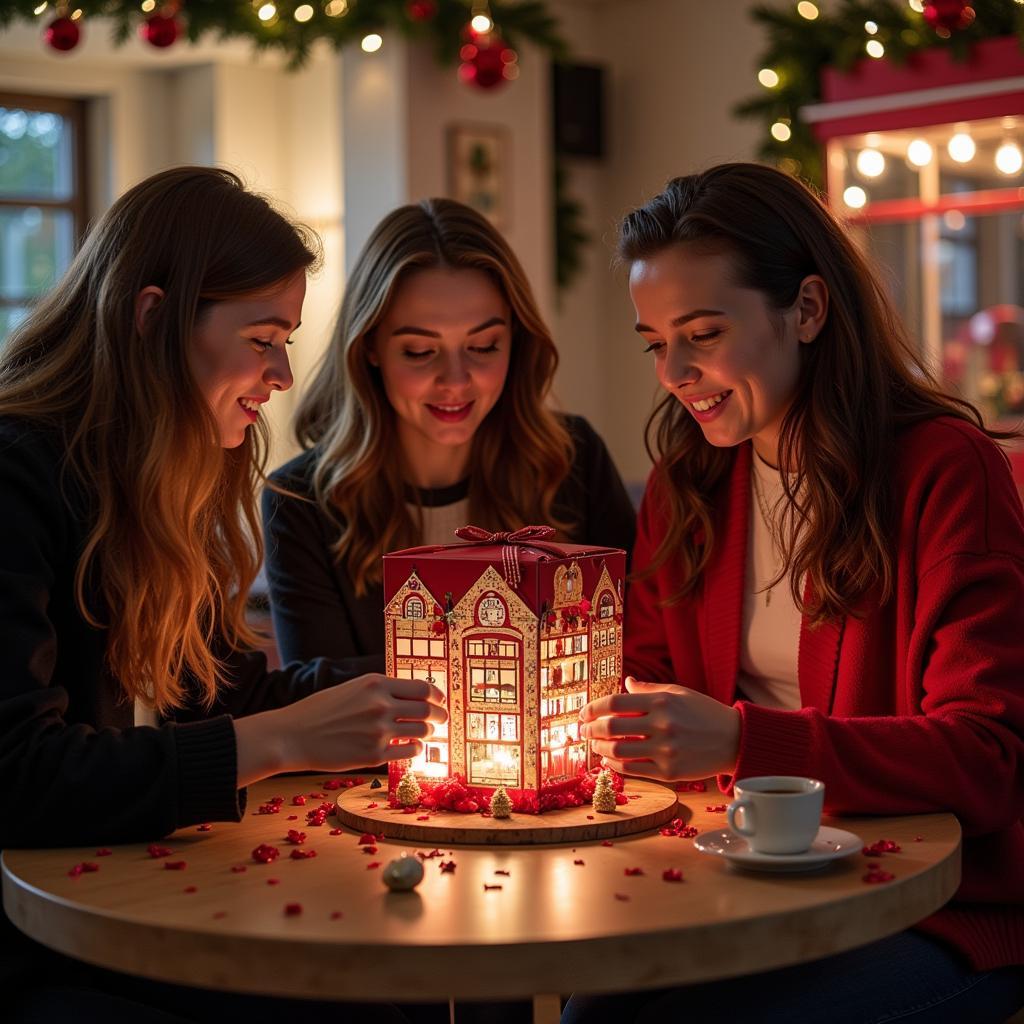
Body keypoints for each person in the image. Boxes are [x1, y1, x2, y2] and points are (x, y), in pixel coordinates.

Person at [569, 163, 1024, 1023]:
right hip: (747, 884)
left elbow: (986, 760)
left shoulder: (944, 472)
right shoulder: (687, 483)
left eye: (702, 333)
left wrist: (744, 741)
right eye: (653, 342)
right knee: (601, 1013)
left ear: (807, 309)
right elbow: (643, 676)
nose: (672, 371)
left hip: (937, 907)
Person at [0, 166, 447, 1024]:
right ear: (155, 318)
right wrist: (277, 741)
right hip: (38, 941)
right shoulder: (18, 479)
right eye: (263, 338)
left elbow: (227, 695)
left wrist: (419, 682)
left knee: (390, 980)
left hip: (121, 906)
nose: (281, 374)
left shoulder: (167, 483)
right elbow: (18, 774)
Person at [262, 197, 635, 670]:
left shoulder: (573, 458)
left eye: (483, 346)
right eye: (420, 351)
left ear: (515, 342)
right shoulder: (299, 502)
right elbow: (322, 708)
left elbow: (634, 650)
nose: (457, 381)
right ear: (370, 348)